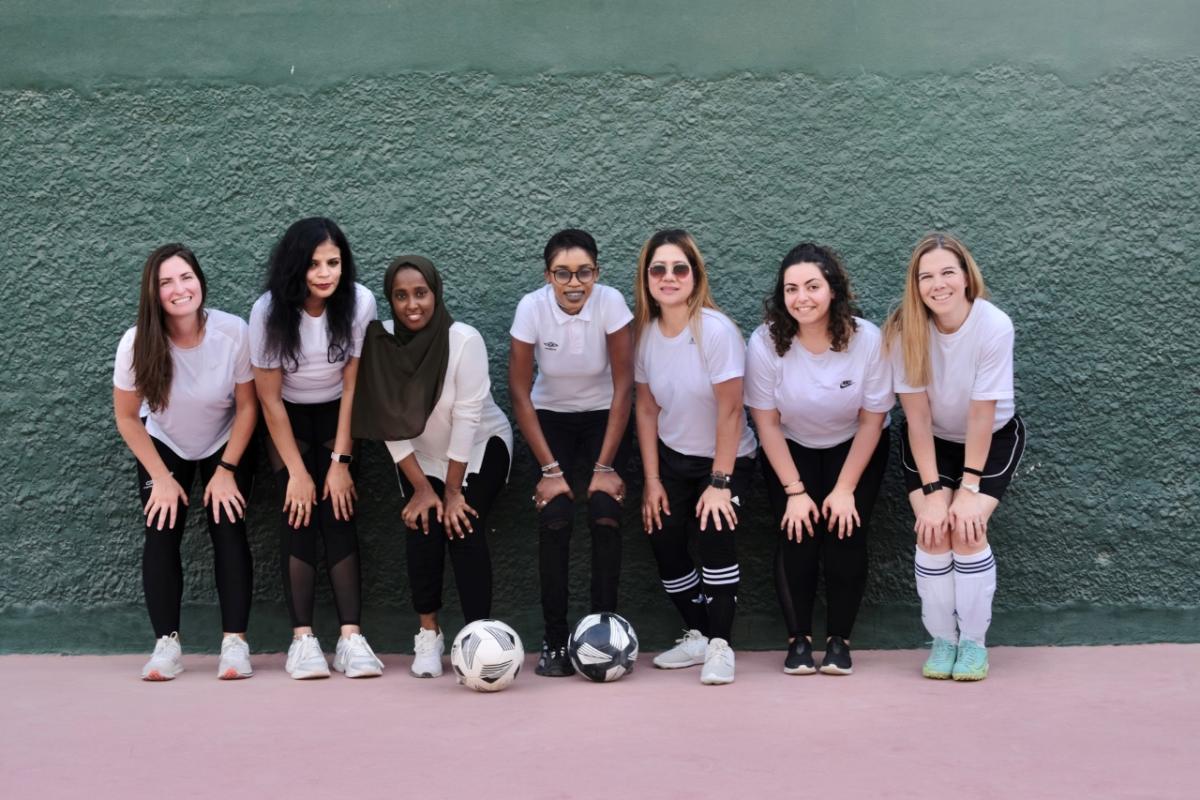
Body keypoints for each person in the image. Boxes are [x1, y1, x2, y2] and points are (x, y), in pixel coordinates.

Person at [353, 256, 513, 679]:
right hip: (419, 457)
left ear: (435, 293)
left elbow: (468, 417)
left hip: (480, 446)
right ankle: (429, 634)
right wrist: (424, 489)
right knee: (424, 524)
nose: (412, 304)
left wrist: (454, 491)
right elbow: (388, 421)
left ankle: (479, 639)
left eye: (420, 293)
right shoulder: (381, 342)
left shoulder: (463, 340)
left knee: (463, 524)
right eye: (400, 296)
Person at [744, 243, 892, 676]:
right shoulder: (766, 340)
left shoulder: (867, 339)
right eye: (791, 289)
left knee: (846, 536)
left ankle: (839, 642)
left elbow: (872, 419)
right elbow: (766, 422)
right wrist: (795, 491)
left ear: (833, 290)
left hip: (855, 444)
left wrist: (845, 489)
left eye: (812, 286)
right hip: (790, 446)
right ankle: (799, 641)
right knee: (797, 536)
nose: (802, 297)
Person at [883, 232, 1025, 681]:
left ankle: (974, 646)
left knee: (965, 529)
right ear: (916, 284)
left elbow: (983, 414)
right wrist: (931, 492)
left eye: (947, 272)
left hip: (991, 438)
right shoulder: (906, 329)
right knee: (932, 530)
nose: (937, 284)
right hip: (932, 442)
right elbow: (917, 419)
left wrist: (968, 488)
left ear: (966, 277)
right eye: (926, 276)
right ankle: (942, 640)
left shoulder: (993, 324)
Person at [113, 244, 257, 681]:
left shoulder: (232, 331)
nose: (179, 289)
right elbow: (126, 416)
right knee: (160, 526)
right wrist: (161, 477)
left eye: (186, 277)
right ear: (154, 294)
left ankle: (235, 644)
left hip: (224, 441)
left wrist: (226, 471)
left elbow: (249, 408)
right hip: (165, 443)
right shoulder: (137, 341)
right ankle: (166, 646)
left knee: (227, 524)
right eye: (166, 282)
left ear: (200, 280)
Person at [249, 217, 383, 680]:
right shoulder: (267, 312)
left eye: (334, 262)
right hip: (286, 417)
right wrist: (298, 473)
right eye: (314, 264)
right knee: (299, 514)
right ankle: (302, 641)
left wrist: (340, 462)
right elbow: (268, 397)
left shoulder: (360, 302)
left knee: (341, 511)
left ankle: (351, 639)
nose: (326, 273)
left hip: (336, 415)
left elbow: (352, 385)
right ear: (294, 267)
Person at [633, 229, 758, 685]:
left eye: (679, 268)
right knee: (662, 535)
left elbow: (730, 410)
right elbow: (646, 409)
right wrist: (652, 480)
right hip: (672, 459)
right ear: (646, 278)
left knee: (714, 533)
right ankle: (699, 635)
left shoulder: (716, 330)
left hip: (726, 461)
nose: (669, 277)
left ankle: (721, 646)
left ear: (695, 274)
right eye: (658, 269)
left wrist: (720, 484)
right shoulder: (645, 334)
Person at [508, 229, 635, 677]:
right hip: (551, 417)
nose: (574, 281)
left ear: (597, 273)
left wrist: (604, 468)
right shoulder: (532, 308)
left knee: (605, 508)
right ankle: (556, 641)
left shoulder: (612, 303)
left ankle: (606, 635)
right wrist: (549, 469)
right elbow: (520, 393)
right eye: (563, 273)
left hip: (606, 415)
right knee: (555, 513)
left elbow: (625, 386)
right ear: (549, 276)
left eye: (584, 272)